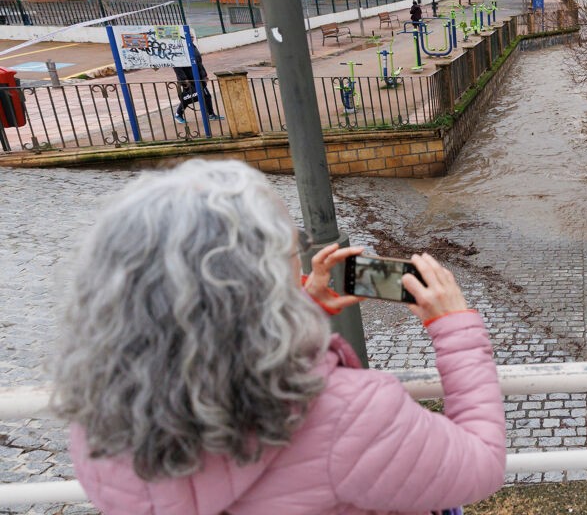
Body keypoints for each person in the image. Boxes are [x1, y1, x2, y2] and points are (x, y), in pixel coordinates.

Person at [51, 159, 506, 515]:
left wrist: (299, 307)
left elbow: (211, 347)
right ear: (259, 281)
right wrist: (454, 327)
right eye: (290, 252)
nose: (300, 263)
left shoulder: (98, 416)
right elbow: (482, 465)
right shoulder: (348, 414)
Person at [173, 47, 222, 124]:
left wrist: (204, 75)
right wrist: (184, 79)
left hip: (198, 77)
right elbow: (177, 66)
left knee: (206, 96)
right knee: (188, 97)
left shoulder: (192, 47)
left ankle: (211, 114)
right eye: (190, 35)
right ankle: (178, 114)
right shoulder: (179, 48)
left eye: (192, 36)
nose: (192, 37)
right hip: (189, 79)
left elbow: (199, 63)